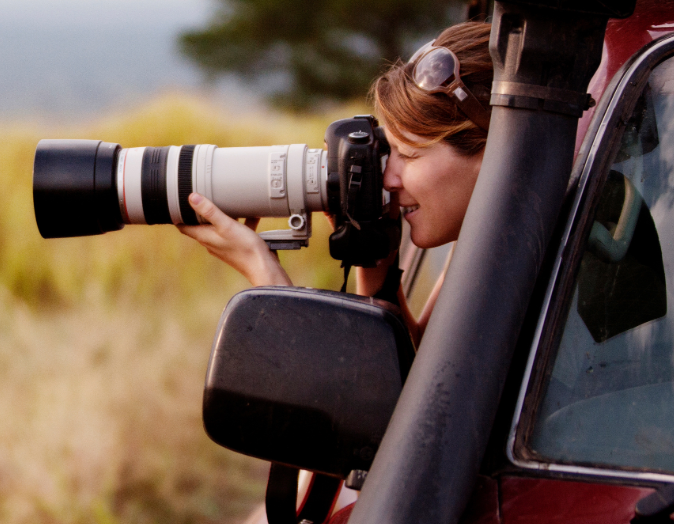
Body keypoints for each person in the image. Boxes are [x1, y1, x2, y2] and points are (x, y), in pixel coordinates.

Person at [178, 20, 493, 338]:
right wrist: (372, 257)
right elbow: (419, 370)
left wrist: (265, 273)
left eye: (409, 155)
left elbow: (382, 387)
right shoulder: (486, 243)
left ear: (490, 152)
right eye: (389, 151)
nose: (387, 179)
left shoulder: (510, 264)